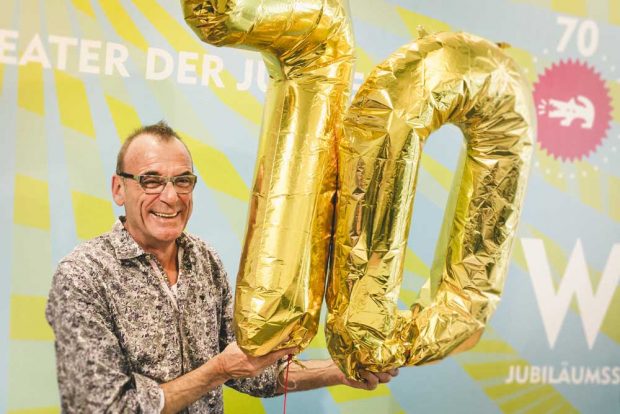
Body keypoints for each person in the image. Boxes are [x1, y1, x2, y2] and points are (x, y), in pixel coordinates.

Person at [46, 121, 398, 413]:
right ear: (118, 188)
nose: (170, 197)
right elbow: (102, 408)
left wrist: (337, 372)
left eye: (182, 181)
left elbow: (248, 371)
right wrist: (218, 370)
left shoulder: (205, 259)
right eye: (151, 181)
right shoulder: (82, 276)